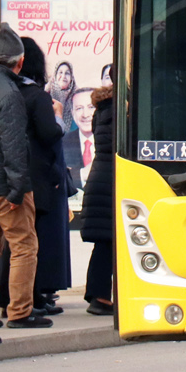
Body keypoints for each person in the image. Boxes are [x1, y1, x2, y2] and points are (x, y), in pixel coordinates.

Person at [0, 24, 48, 328]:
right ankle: (20, 311)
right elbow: (14, 146)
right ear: (19, 63)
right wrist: (18, 190)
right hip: (6, 185)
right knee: (24, 246)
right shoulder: (11, 93)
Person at [19, 37, 71, 316]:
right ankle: (32, 298)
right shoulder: (37, 97)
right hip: (40, 176)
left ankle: (21, 299)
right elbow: (50, 133)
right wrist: (59, 117)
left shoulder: (9, 92)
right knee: (32, 241)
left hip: (15, 174)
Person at [81, 84, 115, 315]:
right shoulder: (118, 112)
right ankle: (100, 297)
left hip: (100, 177)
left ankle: (97, 294)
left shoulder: (102, 110)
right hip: (111, 180)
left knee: (104, 243)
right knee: (108, 242)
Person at [47, 60, 77, 135]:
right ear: (55, 76)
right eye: (60, 72)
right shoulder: (46, 96)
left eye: (67, 73)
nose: (63, 76)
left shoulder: (76, 99)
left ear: (71, 78)